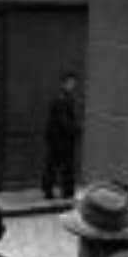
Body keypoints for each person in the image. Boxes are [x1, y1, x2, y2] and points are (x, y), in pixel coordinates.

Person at [42, 72, 80, 201]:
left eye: (74, 82)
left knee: (53, 165)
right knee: (61, 166)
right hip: (61, 139)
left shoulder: (64, 97)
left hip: (57, 138)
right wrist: (76, 130)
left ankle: (52, 191)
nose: (74, 85)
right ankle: (64, 191)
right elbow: (64, 121)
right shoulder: (62, 99)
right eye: (71, 82)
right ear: (64, 83)